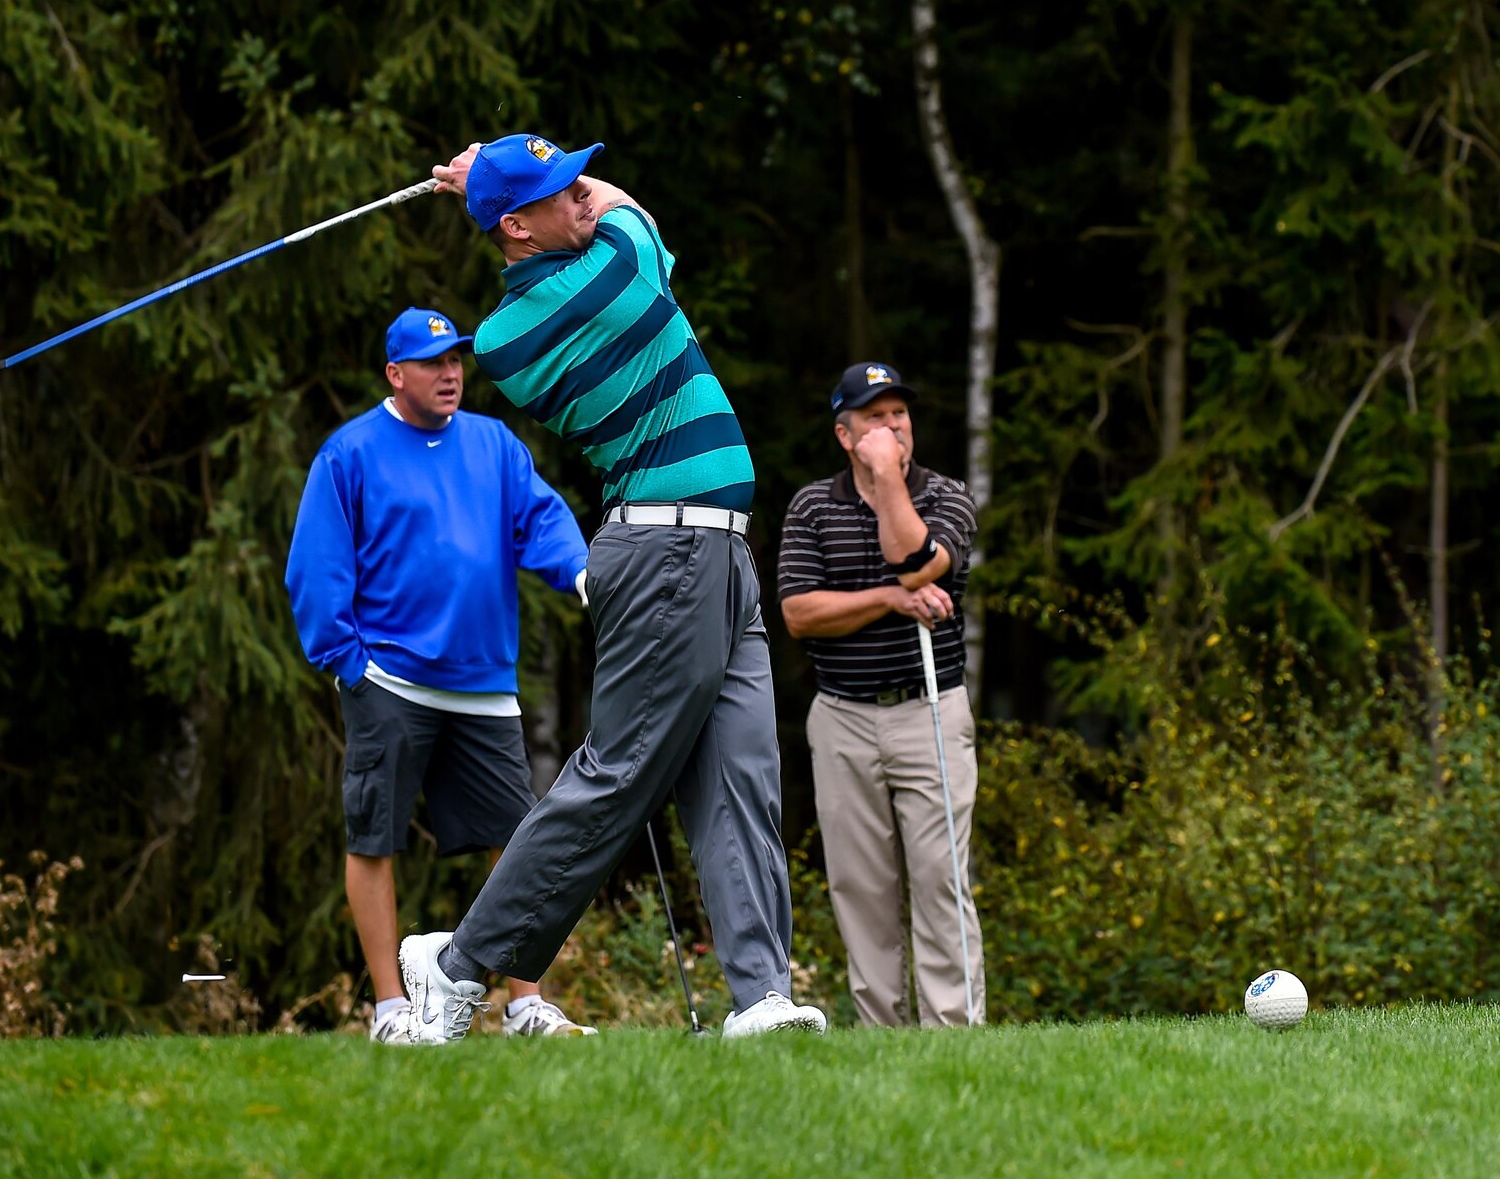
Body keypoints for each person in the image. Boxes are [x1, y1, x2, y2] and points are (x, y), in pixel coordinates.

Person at [395, 132, 827, 1042]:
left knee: (742, 776)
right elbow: (630, 213)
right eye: (554, 193)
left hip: (720, 556)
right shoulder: (528, 324)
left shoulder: (567, 277)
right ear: (516, 226)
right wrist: (497, 175)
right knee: (618, 775)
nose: (576, 199)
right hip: (666, 556)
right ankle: (458, 963)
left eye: (571, 183)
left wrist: (499, 177)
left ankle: (760, 998)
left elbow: (604, 212)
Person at [285, 308, 596, 1044]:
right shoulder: (350, 451)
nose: (451, 373)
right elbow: (317, 566)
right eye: (433, 363)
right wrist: (347, 662)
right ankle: (392, 1010)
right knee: (374, 838)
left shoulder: (493, 444)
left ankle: (525, 1003)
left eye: (456, 360)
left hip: (484, 682)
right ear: (396, 374)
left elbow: (542, 521)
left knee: (519, 839)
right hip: (389, 679)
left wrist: (581, 571)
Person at [776, 362, 985, 1027]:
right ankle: (881, 1034)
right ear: (845, 434)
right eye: (875, 417)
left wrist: (890, 478)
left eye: (899, 414)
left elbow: (918, 561)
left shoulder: (947, 494)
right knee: (862, 886)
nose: (892, 426)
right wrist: (892, 600)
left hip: (930, 709)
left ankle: (953, 1032)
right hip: (841, 716)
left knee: (940, 877)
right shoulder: (813, 505)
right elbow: (801, 613)